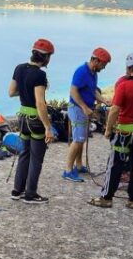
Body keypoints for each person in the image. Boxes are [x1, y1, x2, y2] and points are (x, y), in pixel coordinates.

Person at [89, 52, 133, 209]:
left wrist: (108, 130)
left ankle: (107, 198)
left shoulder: (123, 86)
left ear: (129, 69)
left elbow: (114, 110)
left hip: (124, 133)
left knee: (115, 165)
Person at [8, 39, 56, 204]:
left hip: (22, 117)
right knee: (36, 158)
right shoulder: (39, 75)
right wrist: (48, 127)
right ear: (46, 57)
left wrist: (25, 89)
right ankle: (30, 194)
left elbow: (11, 92)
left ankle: (17, 190)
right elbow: (40, 103)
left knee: (24, 154)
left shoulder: (19, 68)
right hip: (35, 120)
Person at [63, 47, 112, 182]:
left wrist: (104, 101)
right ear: (96, 60)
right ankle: (68, 170)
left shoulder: (93, 73)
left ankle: (78, 166)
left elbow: (93, 91)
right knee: (78, 140)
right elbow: (73, 91)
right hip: (77, 109)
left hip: (83, 109)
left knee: (81, 138)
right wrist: (84, 107)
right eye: (103, 64)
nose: (104, 67)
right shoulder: (82, 71)